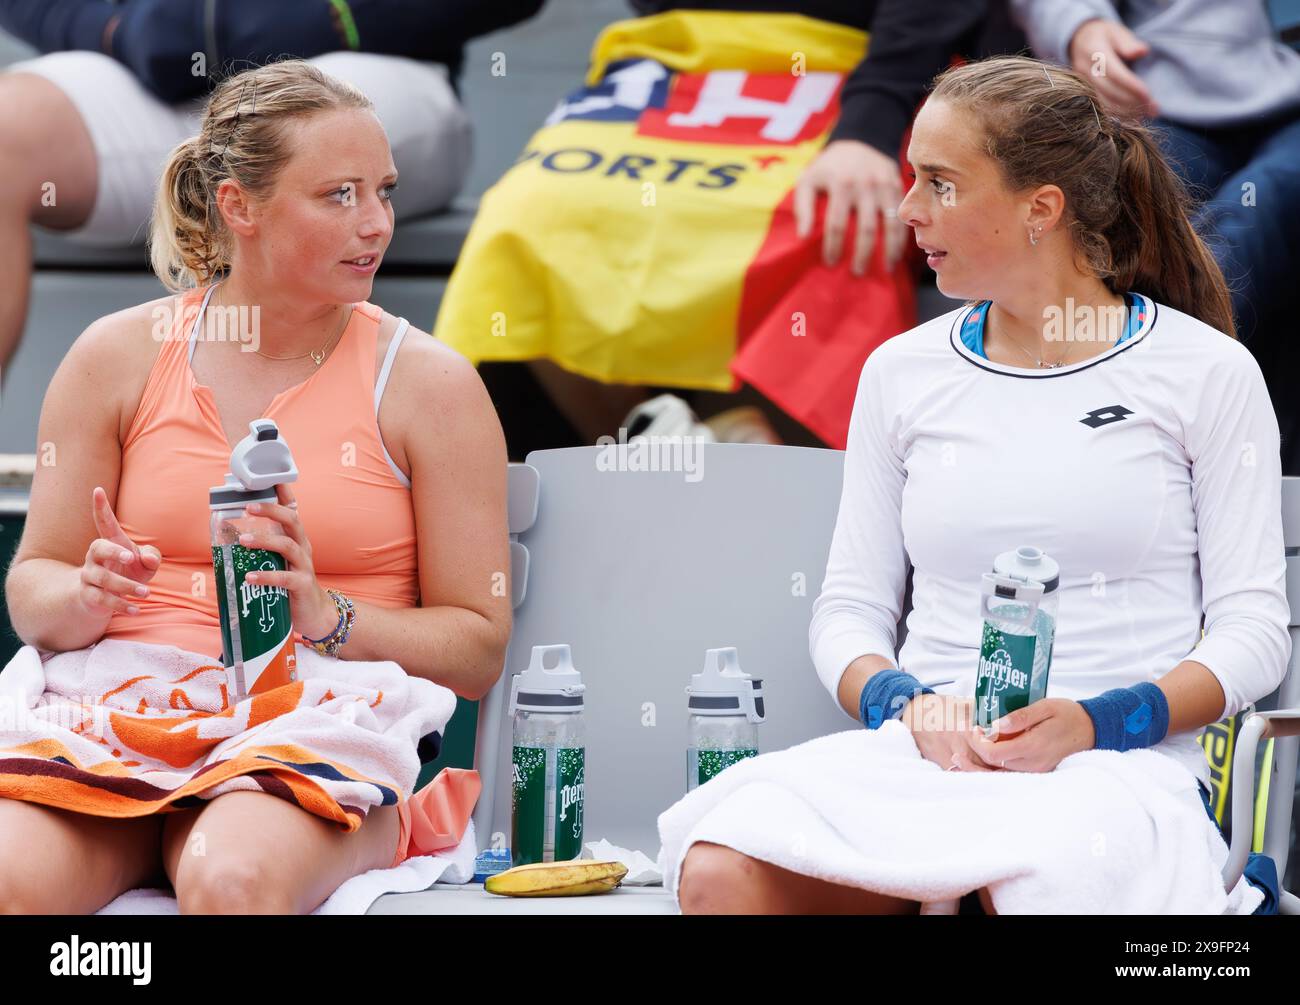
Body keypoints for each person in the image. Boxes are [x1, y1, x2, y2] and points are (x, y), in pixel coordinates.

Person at [667, 55, 1289, 914]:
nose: (908, 209)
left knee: (1008, 888)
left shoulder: (1208, 373)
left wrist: (1102, 719)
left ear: (1042, 209)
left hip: (1116, 773)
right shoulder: (900, 371)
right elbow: (848, 608)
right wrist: (902, 703)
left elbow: (1255, 632)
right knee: (719, 875)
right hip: (921, 763)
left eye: (941, 184)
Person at [0, 59, 510, 914]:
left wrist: (329, 616)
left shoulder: (431, 384)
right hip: (123, 708)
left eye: (382, 190)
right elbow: (33, 588)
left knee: (228, 879)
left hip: (318, 719)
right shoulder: (113, 356)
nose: (376, 223)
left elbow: (478, 644)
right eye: (339, 195)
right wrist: (86, 593)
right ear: (239, 206)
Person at [0, 0, 546, 379]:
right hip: (152, 73)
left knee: (292, 153)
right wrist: (115, 31)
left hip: (368, 60)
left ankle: (288, 462)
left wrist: (333, 19)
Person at [1009, 0, 1300, 470]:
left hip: (1282, 113)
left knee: (1259, 204)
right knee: (1139, 208)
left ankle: (1136, 404)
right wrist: (1079, 26)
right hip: (1154, 95)